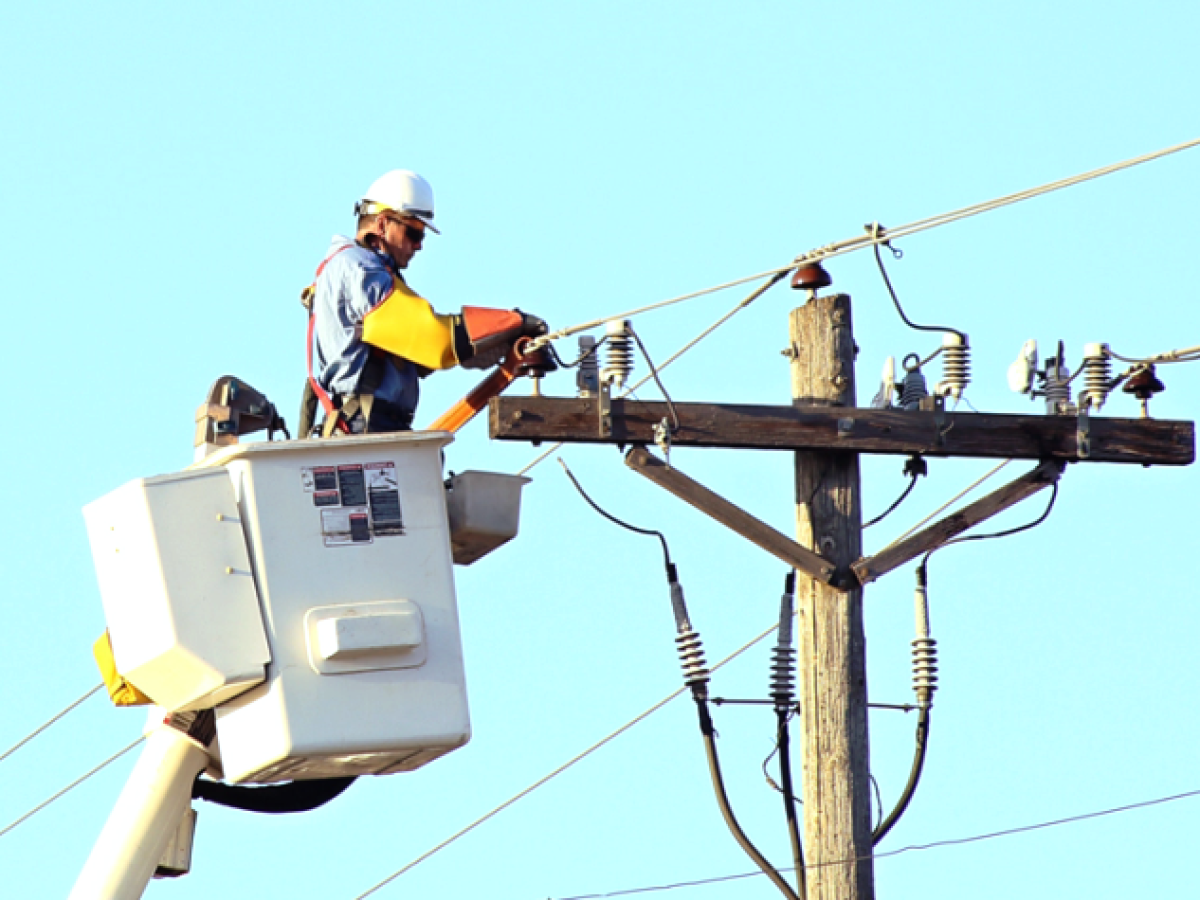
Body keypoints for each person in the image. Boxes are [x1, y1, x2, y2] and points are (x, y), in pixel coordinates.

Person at [301, 169, 545, 436]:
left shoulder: (365, 270)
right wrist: (512, 322)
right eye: (414, 233)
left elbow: (419, 356)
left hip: (374, 426)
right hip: (366, 427)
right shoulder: (359, 269)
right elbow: (434, 338)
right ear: (382, 224)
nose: (419, 246)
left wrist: (498, 342)